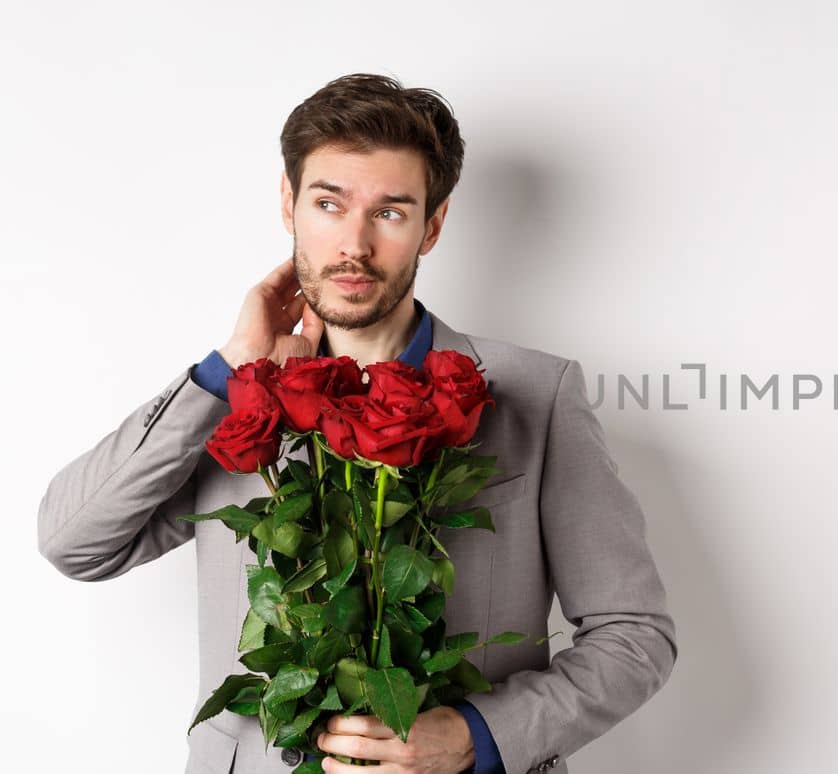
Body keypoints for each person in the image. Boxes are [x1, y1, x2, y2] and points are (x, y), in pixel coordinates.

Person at [35, 73, 677, 774]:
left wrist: (475, 736)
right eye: (329, 203)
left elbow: (634, 635)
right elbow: (76, 544)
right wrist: (227, 369)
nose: (354, 244)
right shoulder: (232, 405)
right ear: (288, 203)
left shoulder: (537, 394)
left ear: (432, 225)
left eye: (391, 212)